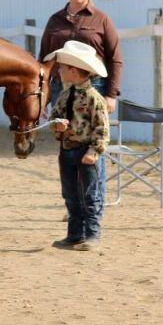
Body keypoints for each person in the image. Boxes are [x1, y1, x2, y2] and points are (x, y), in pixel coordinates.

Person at [39, 0, 122, 221]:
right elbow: (44, 60)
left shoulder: (102, 19)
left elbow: (115, 58)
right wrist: (43, 96)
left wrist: (111, 94)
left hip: (93, 87)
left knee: (93, 146)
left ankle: (94, 203)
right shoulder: (55, 21)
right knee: (68, 145)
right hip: (61, 89)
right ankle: (74, 204)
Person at [44, 41, 110, 251]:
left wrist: (94, 151)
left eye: (62, 67)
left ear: (73, 70)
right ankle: (74, 235)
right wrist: (58, 127)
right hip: (67, 151)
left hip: (85, 153)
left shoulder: (94, 98)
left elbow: (102, 128)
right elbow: (54, 119)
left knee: (91, 195)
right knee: (71, 195)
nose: (59, 71)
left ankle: (92, 235)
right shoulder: (64, 96)